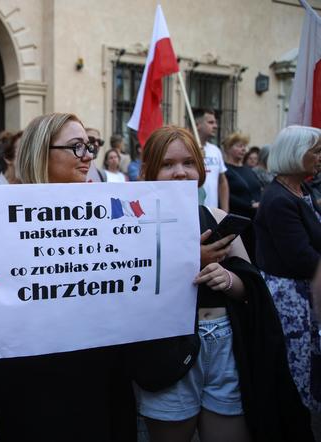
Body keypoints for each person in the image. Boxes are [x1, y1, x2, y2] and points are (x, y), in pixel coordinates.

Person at [137, 125, 312, 442]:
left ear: (201, 170)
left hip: (224, 346)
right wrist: (193, 260)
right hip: (169, 351)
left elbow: (252, 285)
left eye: (188, 163)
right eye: (168, 164)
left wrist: (230, 279)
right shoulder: (134, 225)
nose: (180, 173)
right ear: (148, 170)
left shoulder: (217, 216)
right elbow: (131, 289)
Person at [0, 112, 137, 441]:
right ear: (42, 152)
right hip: (33, 375)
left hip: (98, 366)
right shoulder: (5, 217)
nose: (87, 156)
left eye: (90, 147)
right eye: (76, 147)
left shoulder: (108, 208)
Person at [254, 125, 321, 440]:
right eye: (316, 150)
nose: (320, 157)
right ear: (296, 153)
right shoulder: (279, 199)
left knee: (307, 373)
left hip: (306, 296)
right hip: (288, 301)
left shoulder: (304, 191)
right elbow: (302, 258)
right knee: (293, 378)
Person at [222, 132, 261, 261]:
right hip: (239, 223)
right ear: (228, 148)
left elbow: (257, 189)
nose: (244, 149)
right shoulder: (225, 170)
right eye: (239, 146)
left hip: (255, 222)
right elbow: (226, 196)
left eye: (245, 146)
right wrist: (249, 205)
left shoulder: (249, 170)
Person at [195, 109, 229, 211]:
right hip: (194, 211)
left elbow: (222, 182)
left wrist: (225, 211)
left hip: (213, 212)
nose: (215, 126)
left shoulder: (215, 150)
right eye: (211, 122)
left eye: (215, 122)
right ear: (197, 125)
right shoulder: (186, 148)